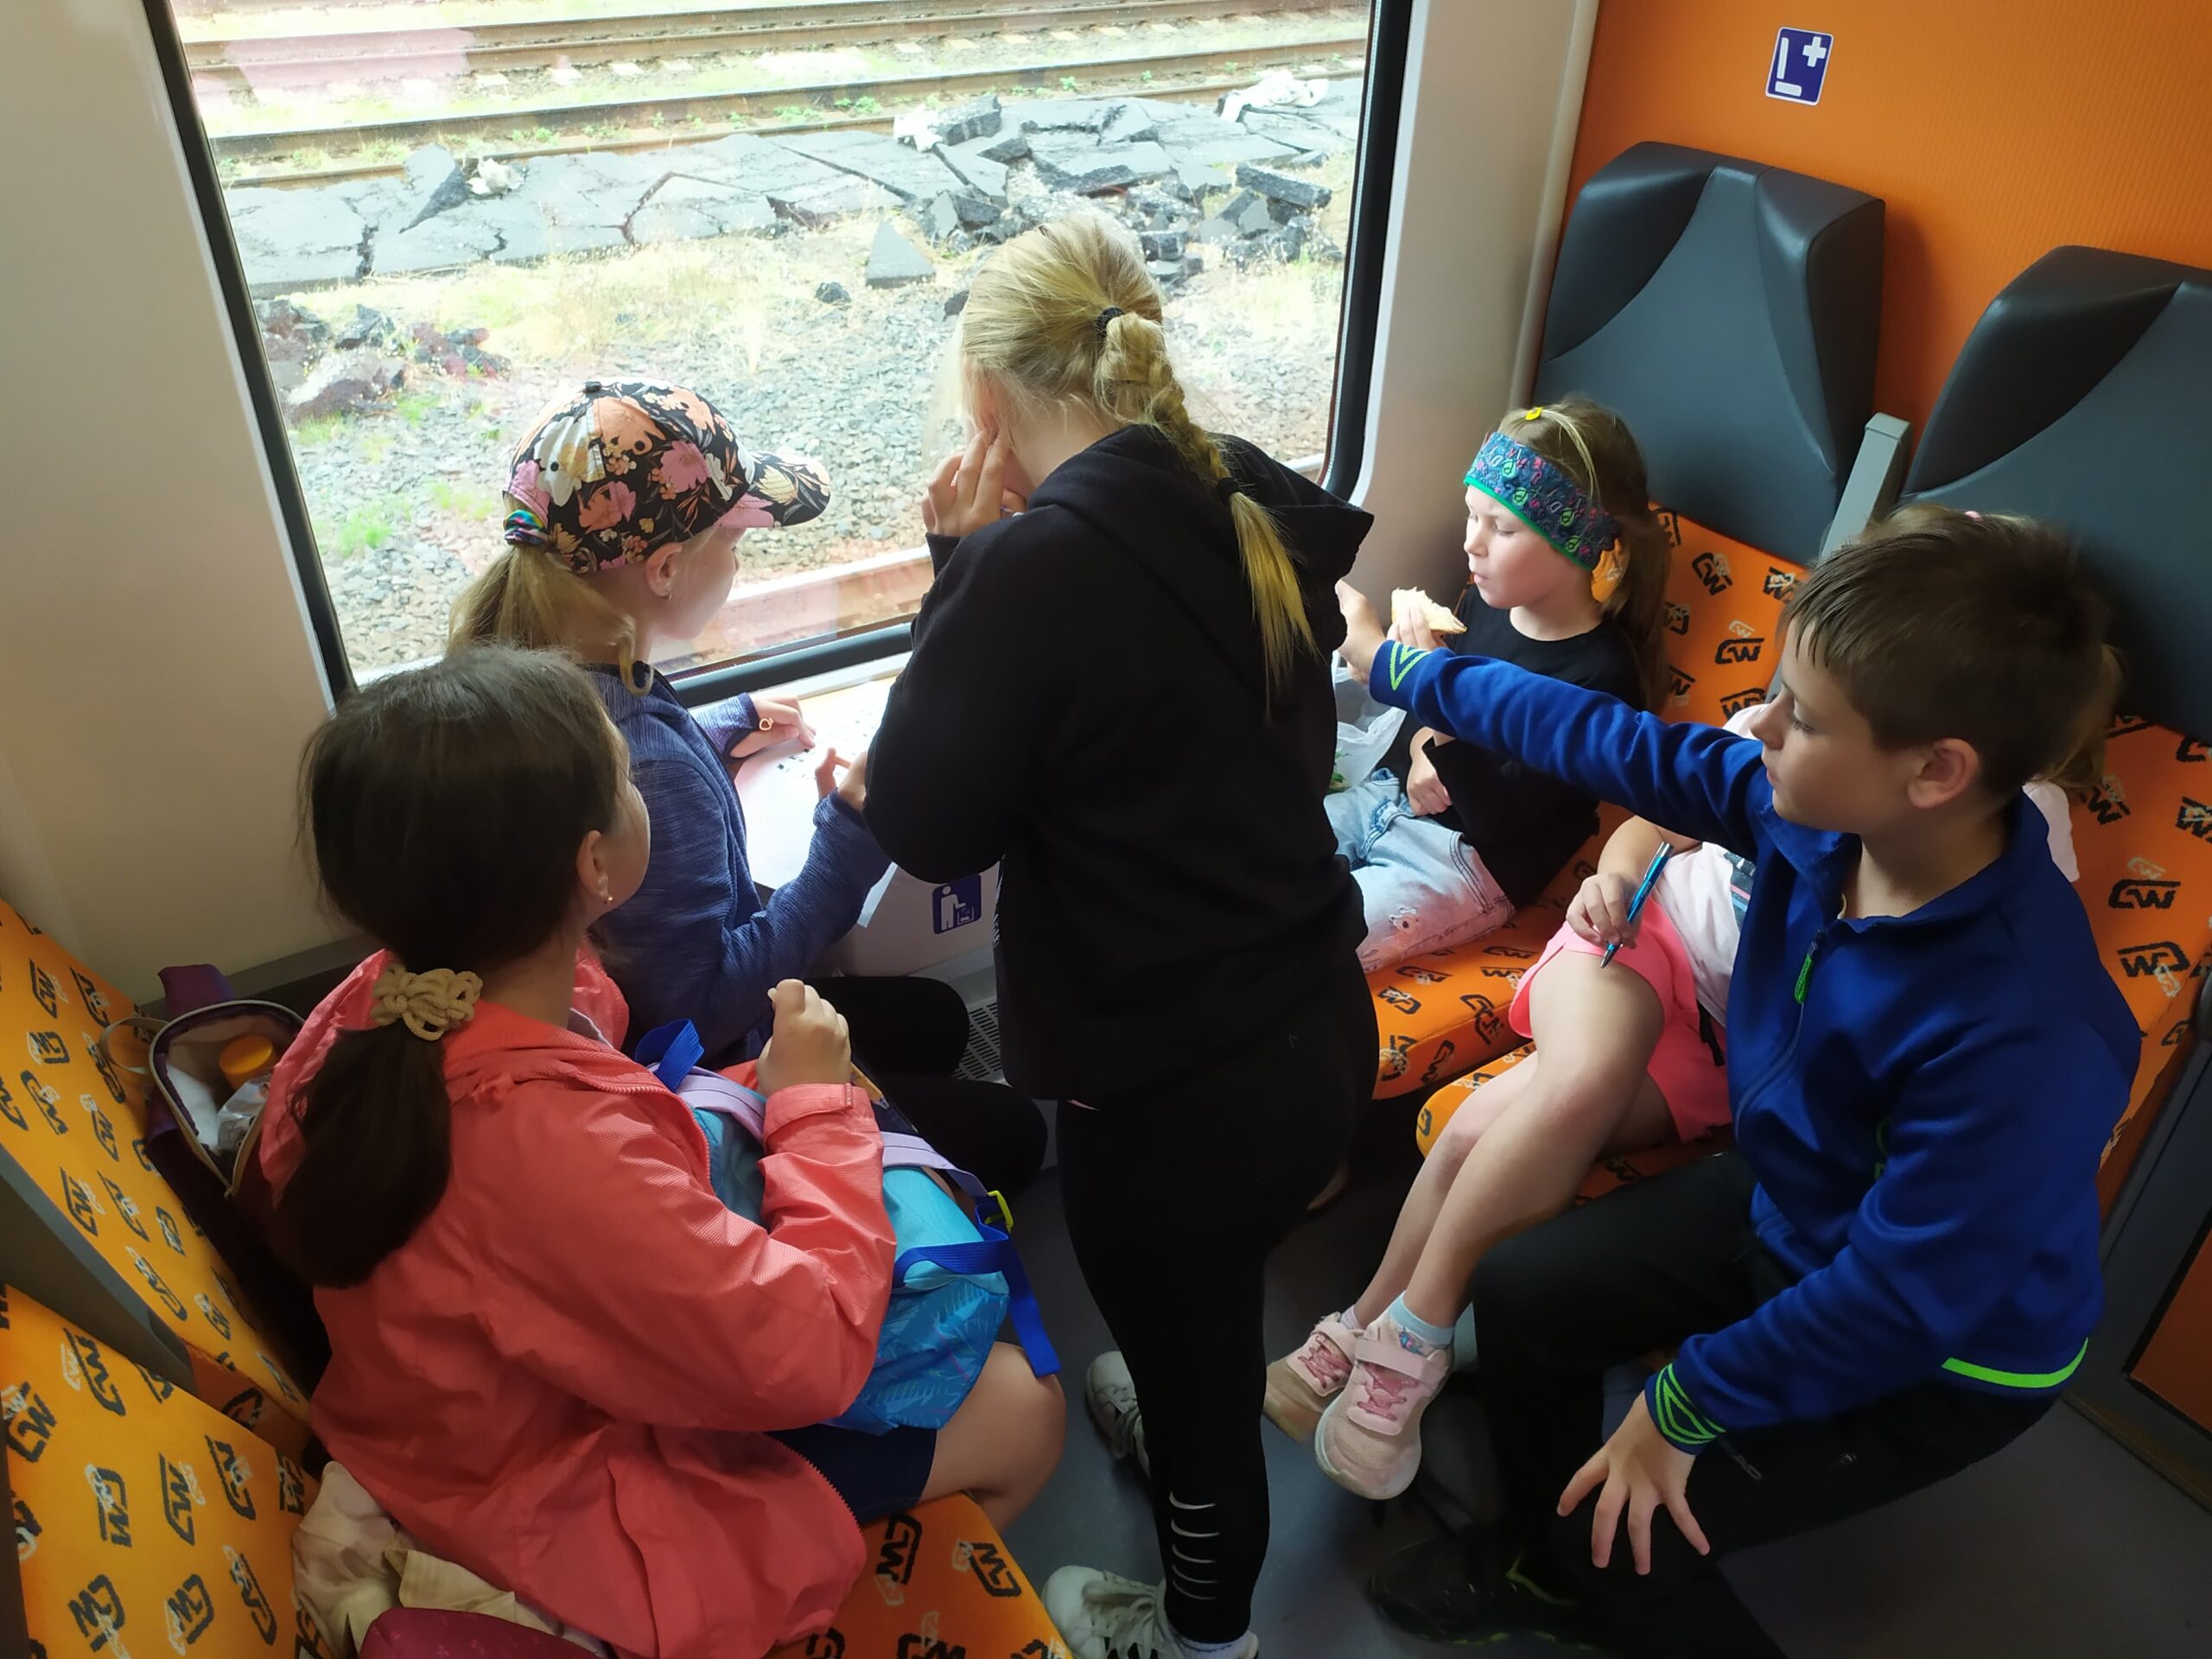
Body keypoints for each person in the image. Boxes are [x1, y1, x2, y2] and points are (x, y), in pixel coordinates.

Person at [1332, 505, 2132, 1655]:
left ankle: (1578, 1565)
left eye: (1800, 715)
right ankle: (1546, 1564)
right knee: (1523, 1293)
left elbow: (1907, 1294)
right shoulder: (1817, 816)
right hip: (1800, 1194)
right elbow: (1599, 737)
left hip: (1944, 1347)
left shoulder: (2026, 1029)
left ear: (1936, 772)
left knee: (1634, 1531)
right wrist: (1401, 668)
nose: (1759, 724)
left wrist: (1683, 1405)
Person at [258, 645, 1064, 1659]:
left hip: (456, 1413)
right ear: (595, 866)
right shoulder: (540, 1150)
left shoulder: (385, 1004)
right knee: (1024, 1410)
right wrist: (811, 1104)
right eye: (629, 779)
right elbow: (808, 1355)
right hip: (557, 1492)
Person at [864, 212, 1376, 1659]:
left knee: (1205, 1378)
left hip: (1174, 1099)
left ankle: (1207, 1634)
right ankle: (1168, 1386)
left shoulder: (1031, 573)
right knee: (1204, 1311)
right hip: (1314, 1025)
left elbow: (928, 824)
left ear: (984, 396)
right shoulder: (1237, 495)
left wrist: (953, 570)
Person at [1276, 694, 2085, 1500]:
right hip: (1643, 936)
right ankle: (1414, 1342)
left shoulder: (2008, 822)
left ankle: (1359, 1329)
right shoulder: (1769, 744)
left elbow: (1999, 955)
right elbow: (1648, 824)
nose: (1775, 722)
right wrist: (1617, 876)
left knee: (1491, 1124)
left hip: (1726, 1034)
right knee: (1580, 1082)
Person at [454, 378, 1045, 1195]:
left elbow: (640, 746)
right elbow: (702, 1008)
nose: (738, 561)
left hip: (659, 1020)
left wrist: (723, 722)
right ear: (665, 568)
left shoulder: (546, 680)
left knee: (937, 1019)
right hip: (707, 1069)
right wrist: (849, 834)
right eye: (733, 542)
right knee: (1013, 1133)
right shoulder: (649, 769)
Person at [1326, 398, 1671, 971]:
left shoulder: (1600, 678)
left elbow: (1498, 818)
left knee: (1314, 940)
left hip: (1464, 861)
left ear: (1576, 543)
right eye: (1473, 516)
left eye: (1502, 528)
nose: (1472, 543)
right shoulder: (1484, 609)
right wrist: (1421, 743)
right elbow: (1419, 731)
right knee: (1256, 855)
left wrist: (1428, 688)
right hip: (1390, 797)